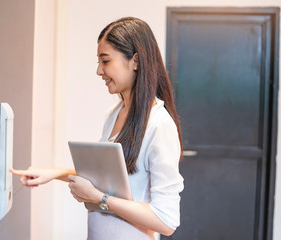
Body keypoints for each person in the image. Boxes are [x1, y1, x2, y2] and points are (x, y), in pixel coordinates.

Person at [11, 17, 184, 239]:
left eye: (105, 61)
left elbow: (166, 221)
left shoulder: (159, 125)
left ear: (136, 61)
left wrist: (98, 198)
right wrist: (54, 173)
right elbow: (107, 179)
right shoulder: (113, 115)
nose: (99, 71)